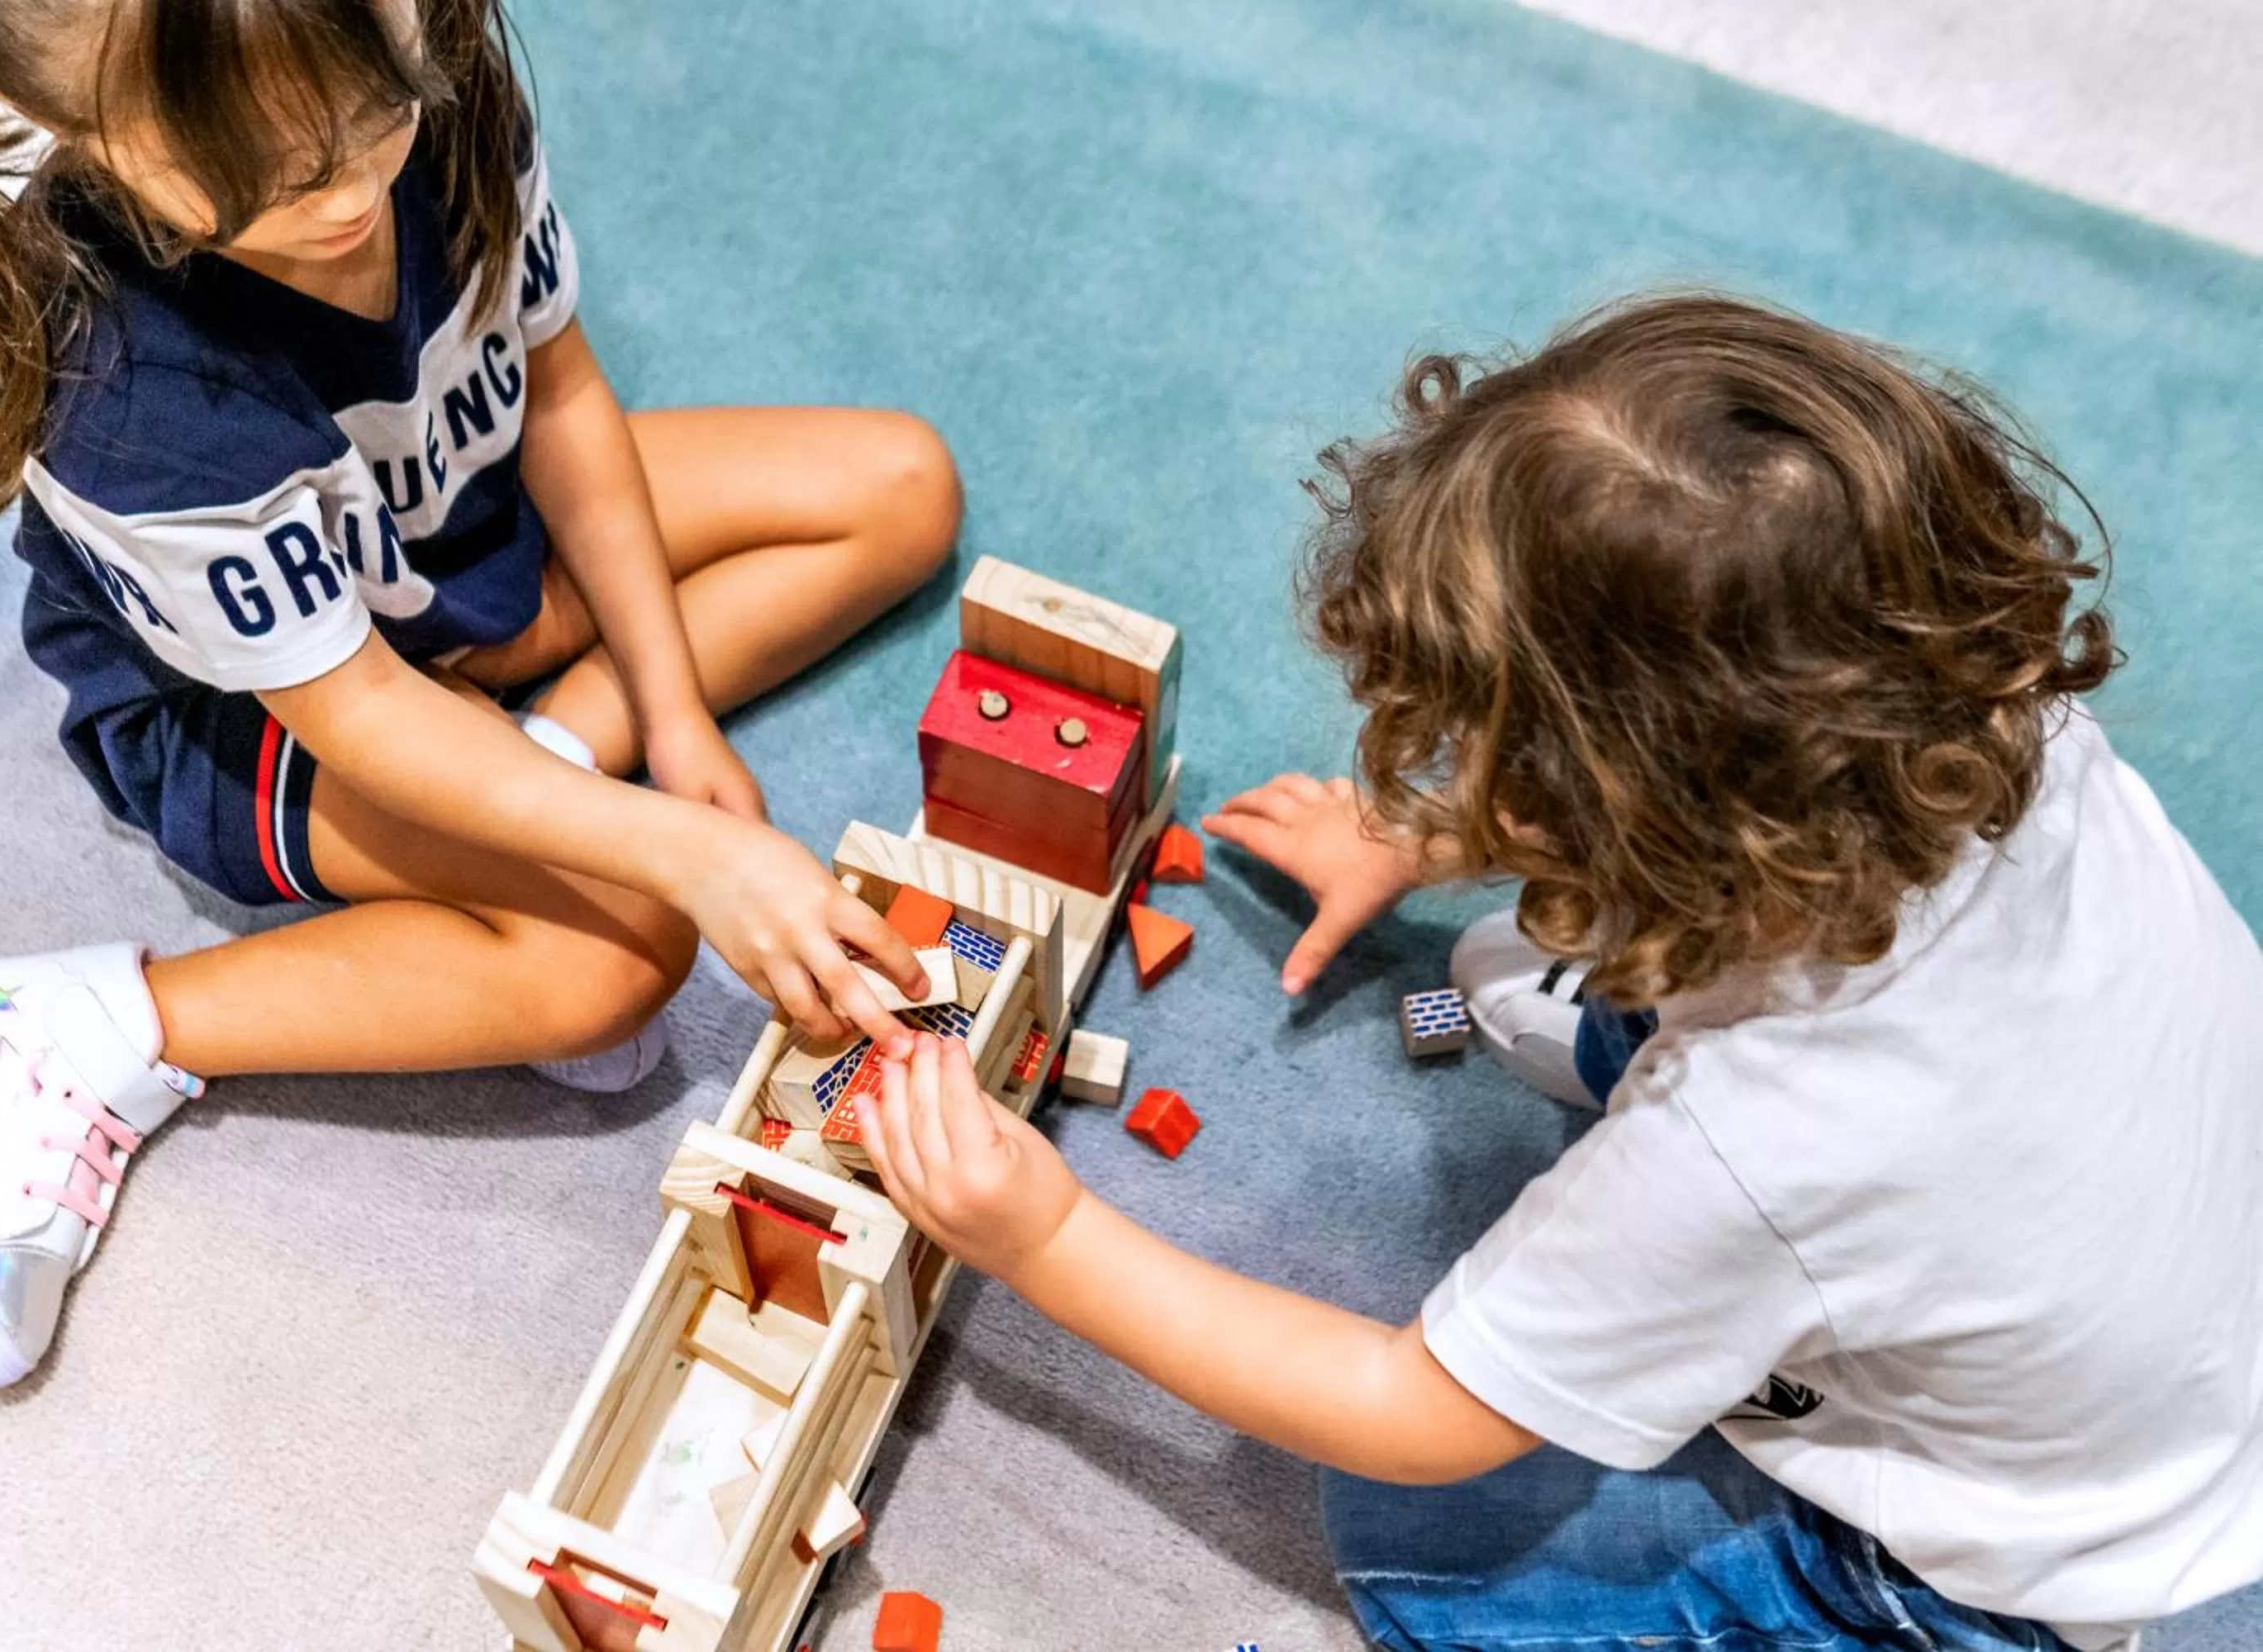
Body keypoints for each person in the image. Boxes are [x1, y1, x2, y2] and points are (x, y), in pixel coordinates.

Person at [858, 296, 2263, 1650]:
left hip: (2002, 1576)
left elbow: (1407, 1408)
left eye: (1487, 769)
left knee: (1423, 1532)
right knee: (1493, 967)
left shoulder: (1748, 1144)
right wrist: (1431, 837)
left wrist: (1044, 1238)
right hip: (2150, 1284)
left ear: (1623, 818)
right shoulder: (1991, 722)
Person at [0, 0, 953, 1389]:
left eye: (375, 120)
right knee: (622, 955)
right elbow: (359, 716)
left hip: (451, 544)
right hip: (251, 715)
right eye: (273, 180)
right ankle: (89, 1027)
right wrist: (689, 851)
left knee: (897, 489)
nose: (352, 193)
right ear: (68, 126)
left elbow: (563, 397)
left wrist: (670, 715)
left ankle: (550, 748)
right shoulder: (130, 395)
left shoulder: (425, 65)